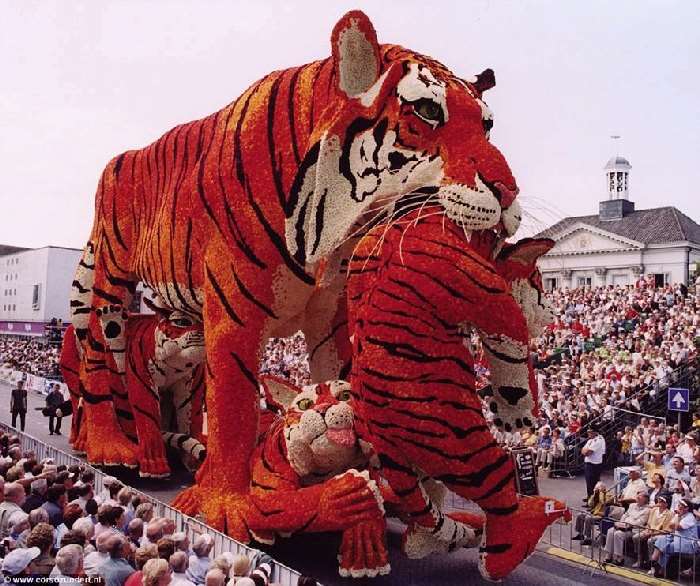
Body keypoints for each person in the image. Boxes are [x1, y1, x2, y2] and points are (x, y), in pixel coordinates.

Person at [649, 499, 698, 577]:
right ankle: (654, 561)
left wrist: (677, 517)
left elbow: (678, 527)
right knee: (662, 539)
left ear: (687, 508)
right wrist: (677, 518)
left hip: (687, 543)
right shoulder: (678, 515)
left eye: (681, 507)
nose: (679, 507)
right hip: (677, 539)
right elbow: (670, 525)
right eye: (679, 506)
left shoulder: (690, 517)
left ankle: (659, 567)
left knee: (666, 547)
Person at [603, 490, 651, 565]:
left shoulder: (647, 510)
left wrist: (627, 525)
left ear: (645, 499)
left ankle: (619, 558)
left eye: (640, 496)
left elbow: (640, 522)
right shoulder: (632, 505)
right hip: (624, 526)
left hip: (633, 529)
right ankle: (608, 555)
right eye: (637, 495)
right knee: (610, 531)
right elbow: (625, 515)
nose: (637, 497)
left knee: (618, 534)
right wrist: (621, 523)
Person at [632, 495, 673, 569]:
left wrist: (652, 534)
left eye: (662, 501)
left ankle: (652, 564)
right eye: (659, 500)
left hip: (660, 533)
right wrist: (647, 531)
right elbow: (648, 523)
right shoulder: (654, 510)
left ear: (666, 504)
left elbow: (666, 530)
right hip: (650, 531)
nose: (659, 502)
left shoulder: (670, 514)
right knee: (636, 537)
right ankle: (639, 559)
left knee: (650, 541)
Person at [573, 481, 613, 545]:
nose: (596, 490)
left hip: (601, 514)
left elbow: (604, 502)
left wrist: (601, 493)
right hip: (594, 512)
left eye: (598, 488)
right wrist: (594, 495)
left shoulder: (609, 495)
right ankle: (580, 534)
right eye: (595, 488)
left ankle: (588, 538)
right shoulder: (596, 494)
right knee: (580, 515)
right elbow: (590, 504)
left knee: (588, 518)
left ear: (603, 488)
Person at [582, 425, 606, 499]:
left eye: (590, 432)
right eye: (588, 432)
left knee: (593, 483)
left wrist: (585, 451)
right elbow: (582, 450)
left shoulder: (598, 440)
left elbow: (587, 453)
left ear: (595, 432)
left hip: (594, 464)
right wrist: (584, 451)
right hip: (589, 463)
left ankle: (593, 500)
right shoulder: (590, 440)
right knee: (589, 483)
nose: (588, 434)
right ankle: (590, 497)